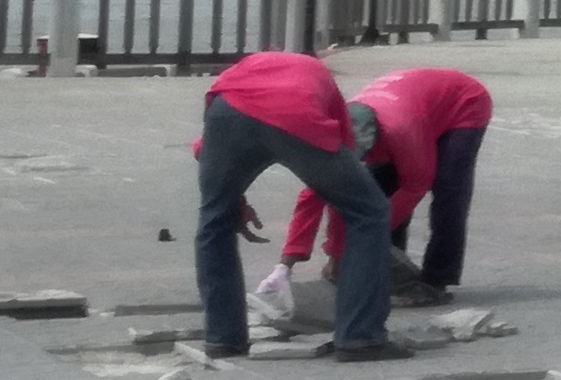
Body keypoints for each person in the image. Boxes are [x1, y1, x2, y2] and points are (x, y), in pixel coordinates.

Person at [190, 52, 403, 362]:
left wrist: (234, 200)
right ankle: (360, 337)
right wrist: (337, 253)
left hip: (227, 112)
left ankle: (223, 339)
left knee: (214, 218)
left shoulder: (243, 72)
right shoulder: (323, 82)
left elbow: (203, 149)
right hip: (294, 113)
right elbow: (341, 187)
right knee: (369, 211)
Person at [256, 62, 493, 322]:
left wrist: (360, 240)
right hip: (410, 104)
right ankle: (390, 273)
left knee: (449, 191)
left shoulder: (402, 132)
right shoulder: (334, 129)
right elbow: (317, 194)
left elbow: (414, 186)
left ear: (374, 142)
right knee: (377, 191)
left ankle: (436, 280)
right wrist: (285, 266)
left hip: (462, 104)